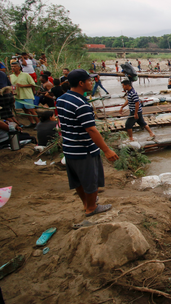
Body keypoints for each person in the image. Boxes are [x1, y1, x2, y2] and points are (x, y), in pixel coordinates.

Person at [56, 69, 119, 216]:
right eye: (89, 80)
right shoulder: (82, 104)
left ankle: (86, 204)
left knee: (77, 180)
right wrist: (106, 150)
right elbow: (91, 130)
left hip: (69, 147)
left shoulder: (61, 99)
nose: (92, 83)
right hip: (84, 149)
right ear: (81, 83)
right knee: (91, 180)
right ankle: (91, 208)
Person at [10, 61, 39, 127]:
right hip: (18, 96)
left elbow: (32, 84)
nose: (13, 68)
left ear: (19, 67)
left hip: (26, 95)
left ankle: (38, 123)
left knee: (31, 109)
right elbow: (11, 86)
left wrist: (22, 86)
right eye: (12, 67)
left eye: (15, 66)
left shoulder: (26, 75)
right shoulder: (11, 76)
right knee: (25, 110)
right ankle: (32, 123)